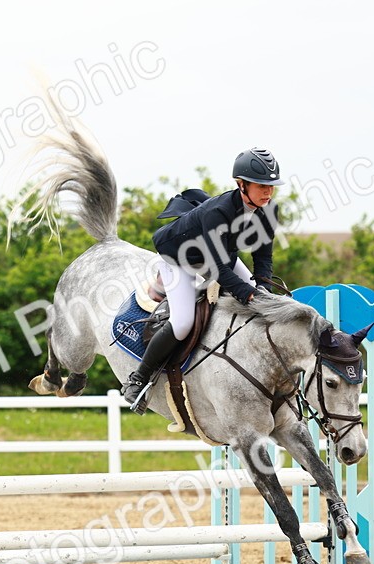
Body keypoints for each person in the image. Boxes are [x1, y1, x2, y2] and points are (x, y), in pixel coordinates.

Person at [121, 148, 285, 412]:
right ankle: (139, 378)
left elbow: (263, 257)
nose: (268, 192)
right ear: (241, 184)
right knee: (183, 323)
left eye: (271, 186)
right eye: (261, 185)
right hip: (179, 259)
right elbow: (219, 270)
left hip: (219, 257)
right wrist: (250, 294)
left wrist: (263, 288)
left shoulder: (267, 212)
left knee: (261, 300)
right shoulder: (218, 212)